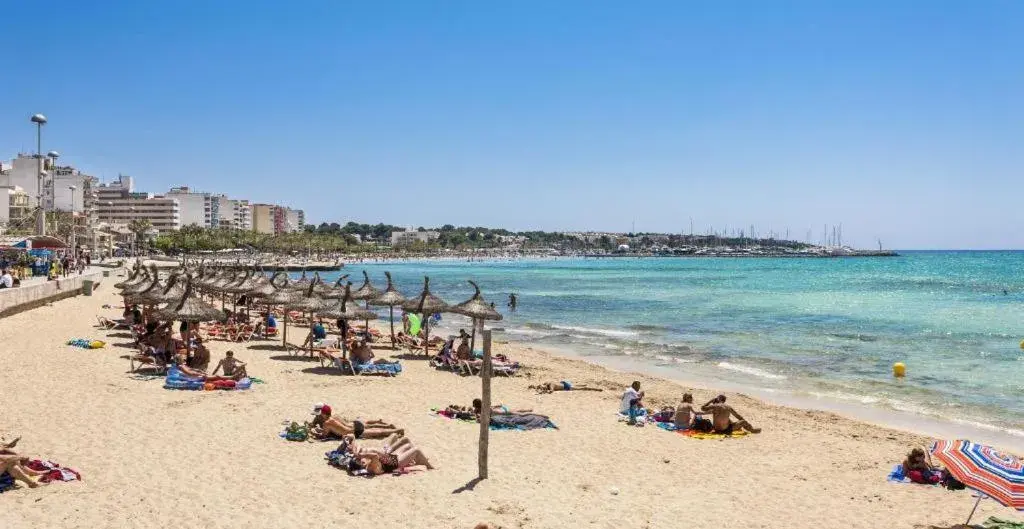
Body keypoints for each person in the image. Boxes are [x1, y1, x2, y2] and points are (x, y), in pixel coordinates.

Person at [529, 380, 602, 394]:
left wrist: (544, 392)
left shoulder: (551, 385)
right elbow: (540, 386)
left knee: (581, 389)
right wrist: (535, 387)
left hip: (566, 386)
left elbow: (551, 391)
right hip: (563, 382)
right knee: (576, 385)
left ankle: (596, 389)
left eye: (543, 388)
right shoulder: (547, 383)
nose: (543, 388)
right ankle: (583, 384)